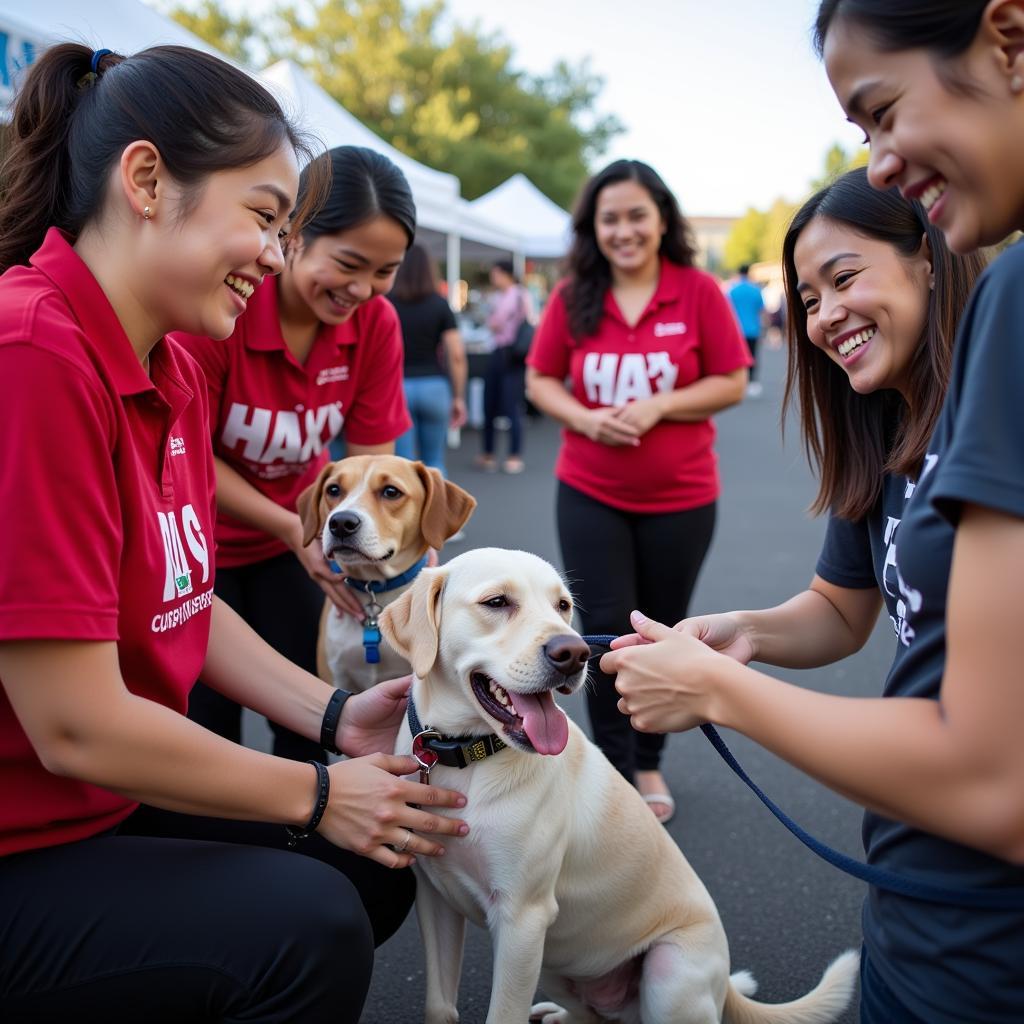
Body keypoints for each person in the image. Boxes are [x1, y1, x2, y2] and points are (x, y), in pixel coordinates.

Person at [0, 44, 468, 1024]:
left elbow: (179, 594)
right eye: (263, 217)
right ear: (145, 180)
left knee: (373, 866)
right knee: (313, 924)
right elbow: (74, 721)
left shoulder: (168, 359)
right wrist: (317, 790)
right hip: (29, 835)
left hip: (86, 807)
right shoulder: (32, 356)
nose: (273, 252)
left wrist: (334, 722)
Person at [603, 3, 1024, 1020]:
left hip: (978, 945)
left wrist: (714, 689)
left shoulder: (1007, 309)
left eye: (881, 112)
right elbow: (844, 606)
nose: (880, 161)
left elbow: (988, 780)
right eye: (806, 300)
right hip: (919, 907)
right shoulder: (883, 429)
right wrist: (739, 633)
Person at [526, 158, 751, 824]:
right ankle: (616, 771)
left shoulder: (697, 290)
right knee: (602, 636)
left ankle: (649, 758)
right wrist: (583, 416)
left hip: (681, 500)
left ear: (660, 220)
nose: (622, 230)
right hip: (590, 491)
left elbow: (732, 380)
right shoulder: (573, 297)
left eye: (635, 216)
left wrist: (661, 406)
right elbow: (541, 380)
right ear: (592, 229)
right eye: (609, 219)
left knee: (658, 628)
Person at [173, 145, 415, 763]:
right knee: (205, 721)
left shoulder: (376, 325)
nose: (362, 290)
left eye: (385, 271)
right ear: (295, 235)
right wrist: (291, 525)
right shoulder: (224, 307)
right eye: (350, 264)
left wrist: (400, 537)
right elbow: (183, 454)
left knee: (314, 719)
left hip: (303, 546)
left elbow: (373, 472)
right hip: (200, 541)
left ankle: (310, 851)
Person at [390, 241, 468, 478]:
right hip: (435, 387)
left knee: (401, 467)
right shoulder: (440, 305)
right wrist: (458, 397)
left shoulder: (387, 303)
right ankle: (437, 514)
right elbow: (456, 354)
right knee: (434, 463)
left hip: (398, 387)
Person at [478, 259, 532, 474]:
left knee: (512, 407)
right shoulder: (497, 296)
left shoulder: (520, 295)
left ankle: (514, 455)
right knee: (488, 404)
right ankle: (488, 453)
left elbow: (498, 323)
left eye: (495, 273)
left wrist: (495, 322)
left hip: (513, 355)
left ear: (503, 274)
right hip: (497, 352)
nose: (493, 278)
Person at [727, 264, 767, 397]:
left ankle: (739, 382)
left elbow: (727, 310)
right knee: (753, 355)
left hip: (737, 330)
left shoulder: (732, 290)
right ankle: (752, 383)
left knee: (739, 357)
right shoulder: (756, 290)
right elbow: (762, 310)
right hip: (753, 329)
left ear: (739, 273)